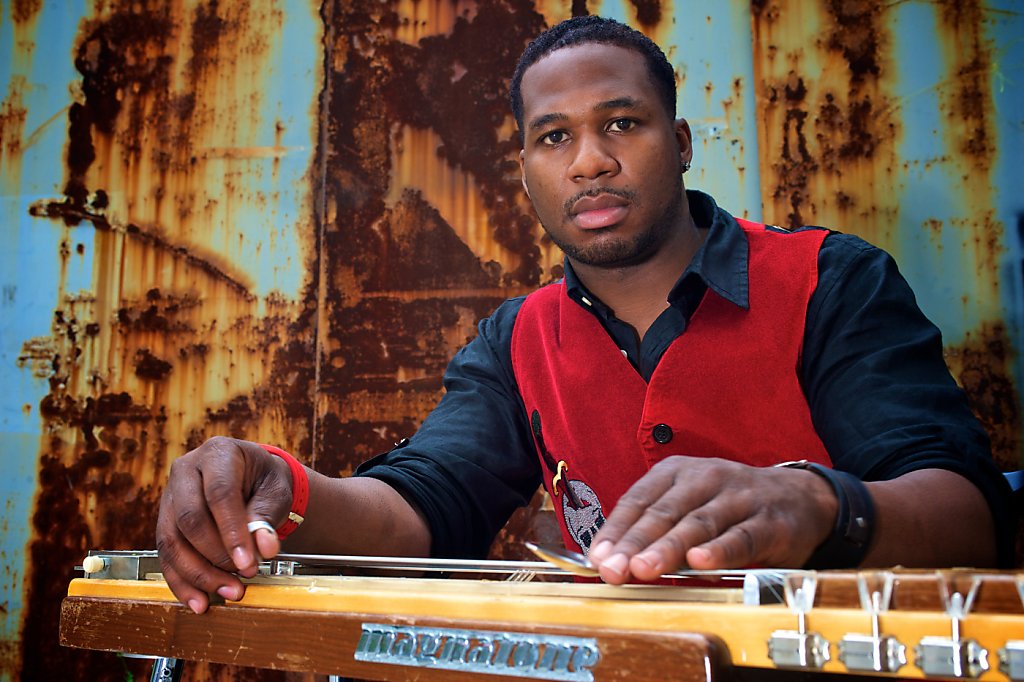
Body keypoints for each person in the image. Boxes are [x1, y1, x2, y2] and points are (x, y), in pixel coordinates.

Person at [157, 16, 1014, 615]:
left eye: (622, 123)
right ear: (525, 165)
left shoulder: (832, 279)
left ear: (678, 143)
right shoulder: (516, 339)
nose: (590, 161)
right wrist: (280, 489)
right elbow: (426, 504)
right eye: (554, 136)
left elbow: (969, 513)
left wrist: (817, 505)